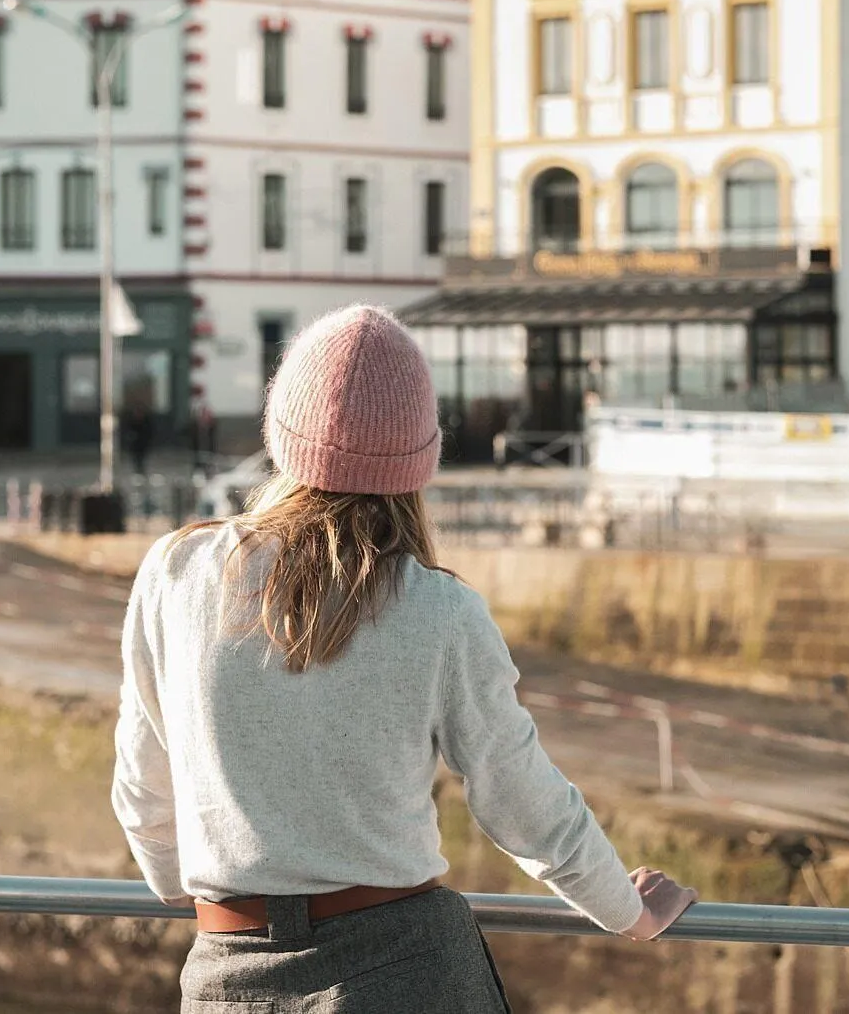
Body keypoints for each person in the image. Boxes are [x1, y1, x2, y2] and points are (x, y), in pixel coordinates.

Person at [111, 305, 698, 1013]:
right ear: (419, 457)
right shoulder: (439, 610)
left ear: (282, 433)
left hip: (228, 974)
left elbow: (143, 787)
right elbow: (522, 803)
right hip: (409, 971)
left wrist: (198, 889)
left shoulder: (178, 572)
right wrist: (625, 912)